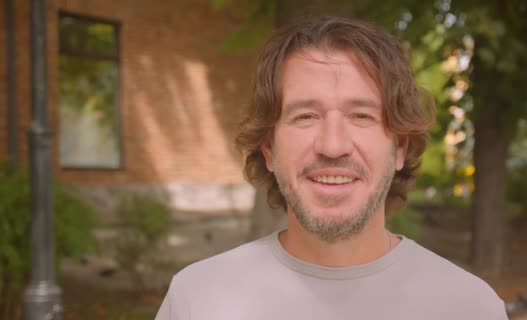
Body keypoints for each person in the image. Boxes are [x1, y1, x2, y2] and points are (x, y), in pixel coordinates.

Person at [155, 16, 508, 320]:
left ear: (399, 147)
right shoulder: (198, 300)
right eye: (306, 116)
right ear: (269, 150)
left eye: (361, 116)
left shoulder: (469, 308)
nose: (333, 145)